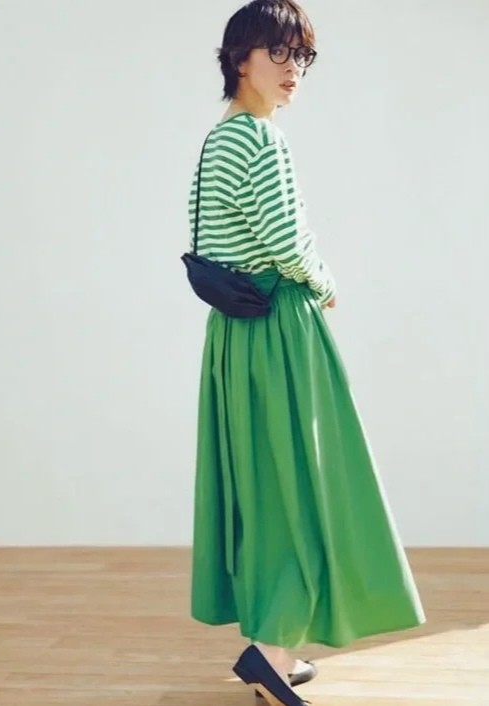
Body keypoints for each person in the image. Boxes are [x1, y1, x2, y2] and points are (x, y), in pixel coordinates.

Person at [186, 2, 426, 705]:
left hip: (235, 335)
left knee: (265, 488)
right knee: (304, 487)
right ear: (240, 58)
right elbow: (288, 243)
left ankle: (274, 648)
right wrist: (324, 283)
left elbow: (212, 240)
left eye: (302, 57)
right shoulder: (261, 139)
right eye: (279, 52)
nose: (294, 69)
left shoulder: (219, 137)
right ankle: (269, 653)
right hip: (280, 329)